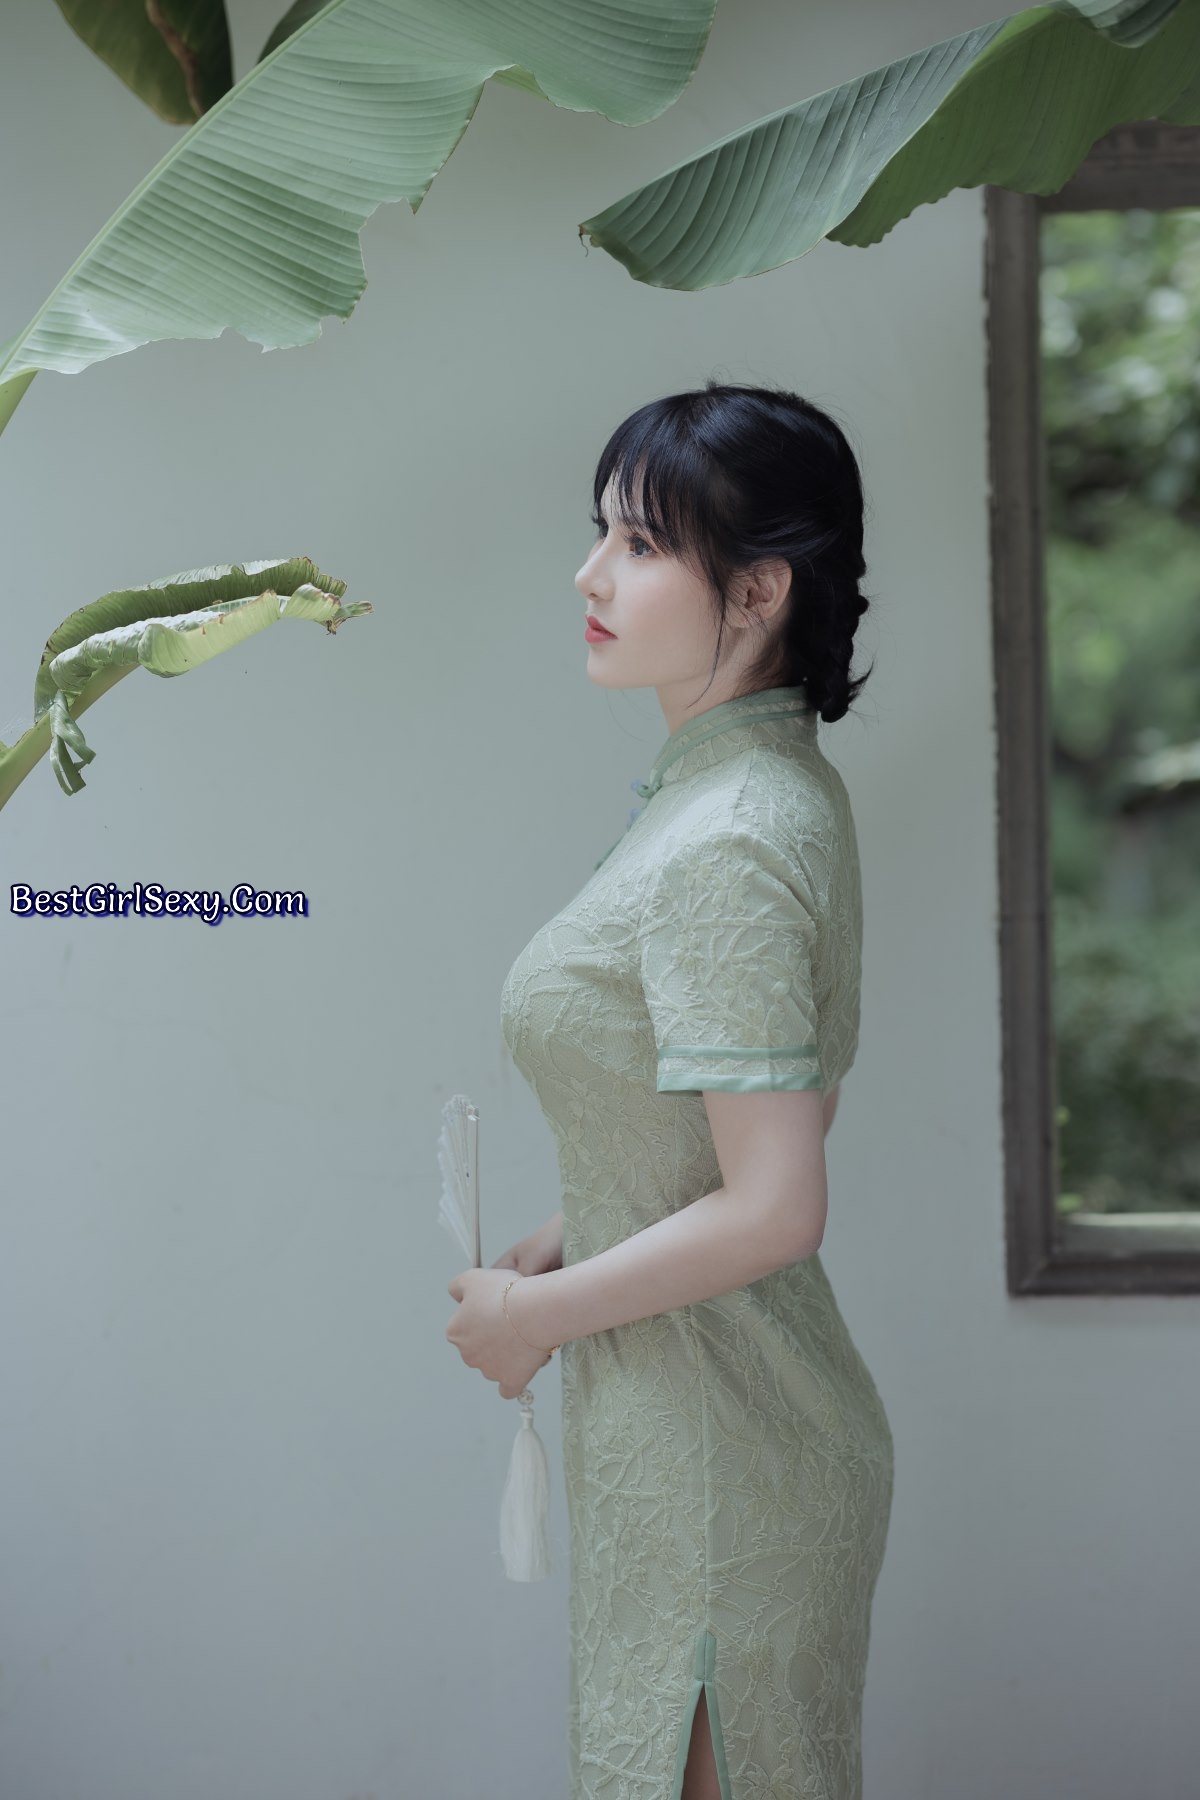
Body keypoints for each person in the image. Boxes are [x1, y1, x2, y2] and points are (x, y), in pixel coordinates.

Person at [445, 380, 893, 1800]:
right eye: (602, 535)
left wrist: (531, 1318)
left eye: (639, 545)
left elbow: (777, 1202)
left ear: (756, 591)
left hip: (722, 1450)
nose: (590, 575)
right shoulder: (745, 792)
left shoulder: (730, 834)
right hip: (694, 1428)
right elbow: (763, 1116)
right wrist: (577, 1234)